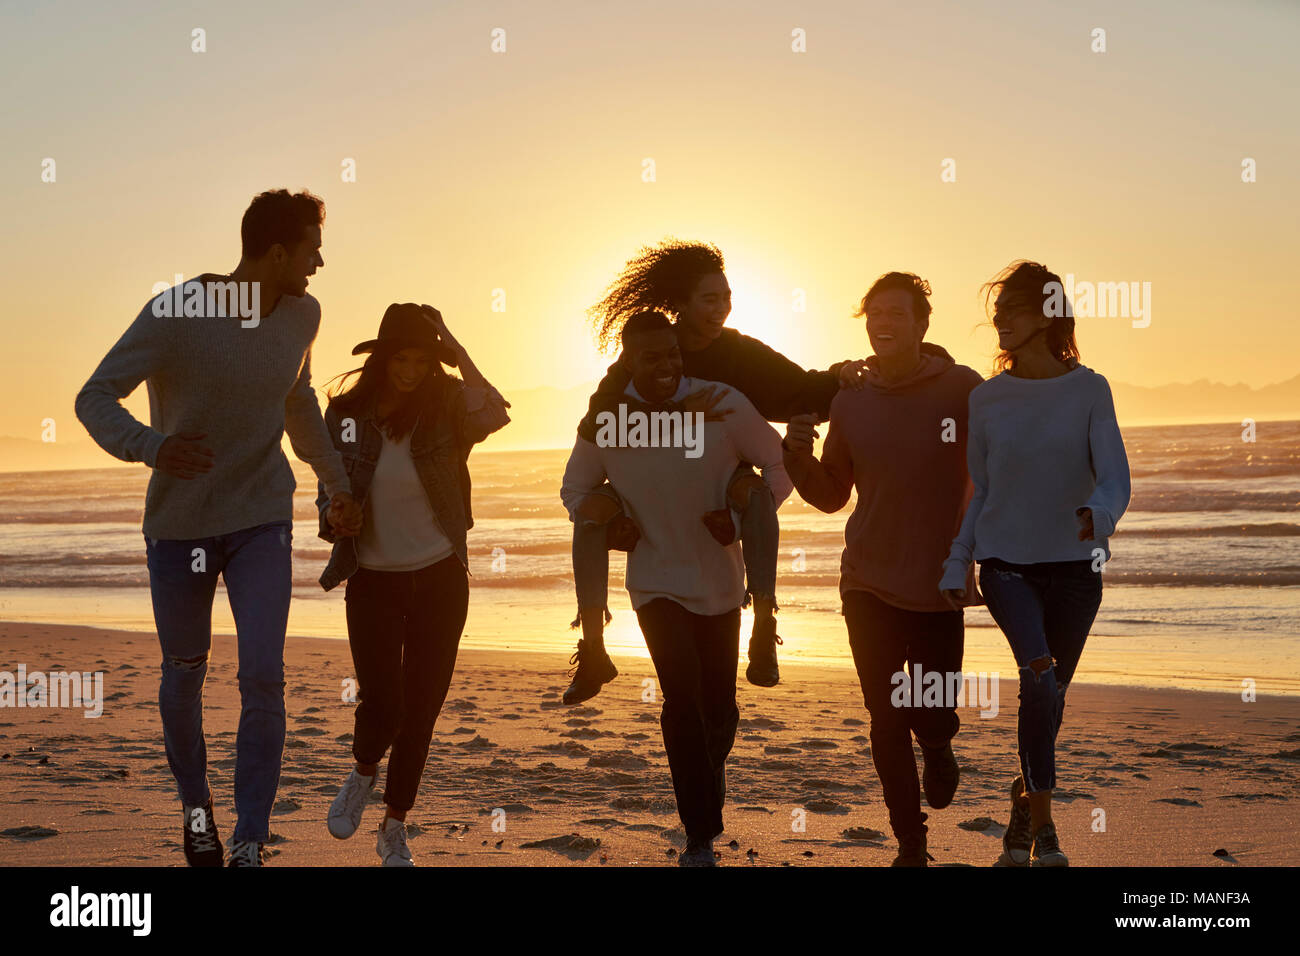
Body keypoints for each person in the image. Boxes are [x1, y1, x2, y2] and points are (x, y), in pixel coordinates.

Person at [74, 189, 361, 867]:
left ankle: (249, 839)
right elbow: (93, 396)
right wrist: (150, 446)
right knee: (184, 672)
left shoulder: (303, 315)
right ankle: (196, 811)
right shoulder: (177, 312)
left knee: (264, 674)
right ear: (276, 251)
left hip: (262, 516)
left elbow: (298, 400)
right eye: (312, 248)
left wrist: (336, 484)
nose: (320, 261)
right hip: (180, 526)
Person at [563, 239, 864, 703]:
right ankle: (593, 645)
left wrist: (841, 377)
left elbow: (798, 389)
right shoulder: (646, 352)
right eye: (708, 298)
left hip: (724, 487)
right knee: (592, 508)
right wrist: (685, 411)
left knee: (752, 489)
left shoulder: (740, 353)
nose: (721, 307)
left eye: (726, 296)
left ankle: (764, 623)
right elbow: (605, 416)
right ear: (679, 304)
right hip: (654, 496)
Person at [561, 311, 793, 865]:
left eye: (672, 354)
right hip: (654, 582)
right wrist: (610, 520)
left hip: (720, 581)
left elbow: (778, 469)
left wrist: (737, 519)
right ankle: (699, 833)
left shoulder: (722, 404)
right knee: (680, 699)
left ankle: (765, 625)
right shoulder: (609, 421)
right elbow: (575, 490)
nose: (665, 366)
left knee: (720, 709)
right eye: (651, 357)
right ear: (627, 361)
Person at [783, 272, 983, 866]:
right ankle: (910, 843)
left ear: (923, 323)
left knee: (933, 713)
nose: (884, 322)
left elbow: (997, 465)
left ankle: (942, 748)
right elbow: (830, 495)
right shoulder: (851, 400)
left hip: (940, 583)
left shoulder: (961, 389)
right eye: (874, 313)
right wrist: (794, 455)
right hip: (866, 580)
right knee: (886, 717)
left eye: (898, 312)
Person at [939, 260, 1131, 868]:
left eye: (1012, 309)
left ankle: (1022, 809)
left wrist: (1098, 514)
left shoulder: (1090, 389)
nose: (999, 320)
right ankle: (1047, 832)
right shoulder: (986, 399)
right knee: (1039, 676)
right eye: (996, 312)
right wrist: (957, 562)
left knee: (1051, 698)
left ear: (1048, 314)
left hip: (1076, 569)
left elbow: (1116, 474)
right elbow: (981, 490)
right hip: (1006, 566)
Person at [317, 303, 510, 866]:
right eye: (401, 358)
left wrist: (454, 343)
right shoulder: (347, 414)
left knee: (422, 707)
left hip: (441, 576)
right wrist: (335, 517)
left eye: (422, 359)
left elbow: (494, 411)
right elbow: (328, 493)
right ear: (381, 358)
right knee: (384, 700)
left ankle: (394, 824)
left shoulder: (446, 405)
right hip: (373, 578)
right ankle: (361, 773)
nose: (410, 370)